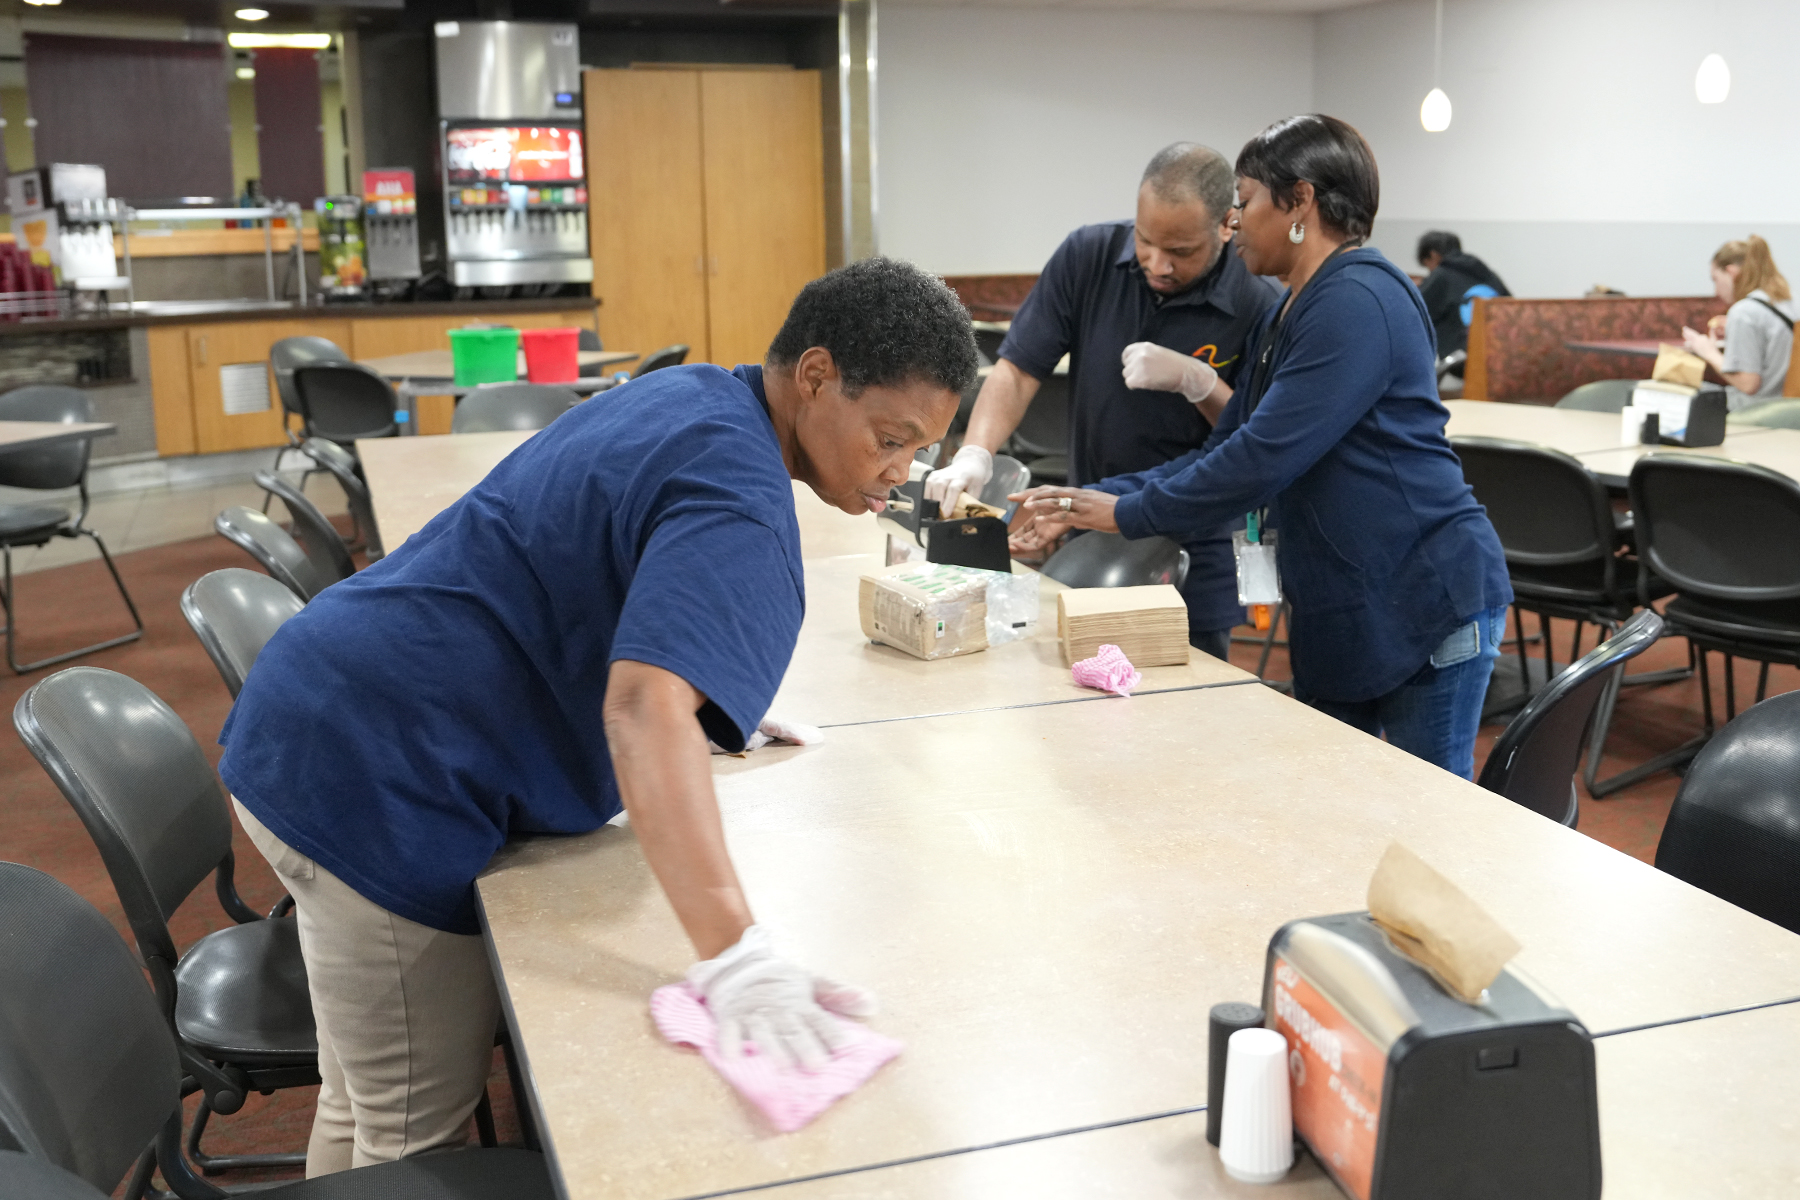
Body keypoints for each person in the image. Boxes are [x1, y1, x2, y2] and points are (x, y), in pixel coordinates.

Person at [218, 258, 977, 1175]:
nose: (901, 473)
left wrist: (702, 670)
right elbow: (638, 708)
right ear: (816, 378)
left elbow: (605, 571)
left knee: (363, 1100)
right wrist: (734, 953)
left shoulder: (699, 396)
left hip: (319, 709)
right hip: (378, 779)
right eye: (891, 438)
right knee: (406, 1142)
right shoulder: (741, 494)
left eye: (922, 451)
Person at [1009, 115, 1512, 780]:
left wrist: (1123, 515)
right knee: (1335, 802)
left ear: (1300, 202)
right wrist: (1091, 499)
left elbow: (1258, 463)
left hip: (1420, 598)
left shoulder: (1358, 301)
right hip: (1345, 601)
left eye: (1244, 203)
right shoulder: (1292, 310)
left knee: (1431, 818)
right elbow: (1226, 446)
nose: (1235, 222)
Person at [924, 143, 1277, 659]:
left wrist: (1201, 384)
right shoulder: (1089, 256)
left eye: (1180, 251)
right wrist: (976, 452)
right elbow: (1020, 370)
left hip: (1194, 535)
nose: (1157, 263)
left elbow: (1247, 443)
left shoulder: (1256, 300)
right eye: (1146, 240)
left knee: (1190, 693)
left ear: (1228, 224)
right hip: (1088, 518)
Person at [1681, 236, 1797, 411]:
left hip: (1756, 409)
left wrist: (1708, 352)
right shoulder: (1790, 301)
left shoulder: (1743, 312)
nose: (1716, 290)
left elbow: (1748, 384)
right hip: (1791, 407)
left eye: (1716, 279)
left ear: (1731, 273)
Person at [1415, 230, 1509, 360]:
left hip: (1462, 361)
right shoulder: (1486, 272)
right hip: (1501, 353)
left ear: (1433, 255)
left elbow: (1414, 315)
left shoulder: (1441, 275)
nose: (1430, 272)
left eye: (1427, 266)